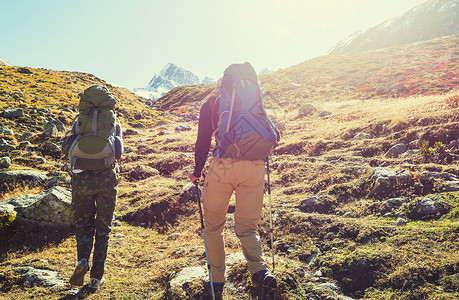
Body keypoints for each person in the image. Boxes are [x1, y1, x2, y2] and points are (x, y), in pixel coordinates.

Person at [190, 62, 280, 299]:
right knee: (247, 226)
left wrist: (197, 172)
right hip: (255, 166)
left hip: (223, 166)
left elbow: (202, 143)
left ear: (224, 81)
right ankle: (261, 272)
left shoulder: (212, 103)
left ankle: (216, 282)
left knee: (213, 226)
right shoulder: (254, 101)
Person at [66, 84, 123, 290]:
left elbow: (67, 147)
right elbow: (119, 151)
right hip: (106, 178)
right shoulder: (113, 121)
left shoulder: (80, 120)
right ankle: (96, 278)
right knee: (103, 228)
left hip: (81, 178)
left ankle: (82, 260)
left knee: (84, 225)